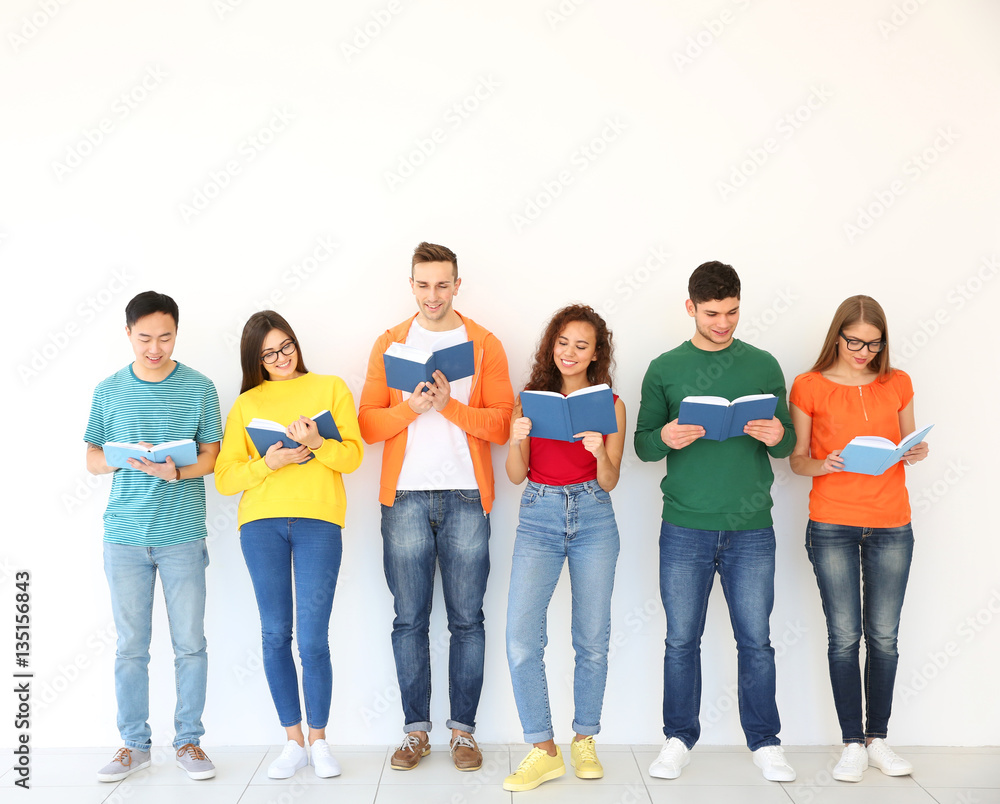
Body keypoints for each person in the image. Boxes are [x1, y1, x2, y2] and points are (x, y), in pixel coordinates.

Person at [634, 261, 797, 782]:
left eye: (731, 312)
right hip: (685, 525)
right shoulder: (664, 368)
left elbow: (790, 443)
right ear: (690, 308)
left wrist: (777, 436)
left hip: (751, 527)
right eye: (712, 314)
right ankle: (678, 738)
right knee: (682, 639)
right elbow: (640, 444)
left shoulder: (765, 365)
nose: (723, 323)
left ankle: (766, 742)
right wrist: (666, 438)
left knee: (756, 639)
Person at [359, 242, 514, 772]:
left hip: (468, 497)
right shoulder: (391, 342)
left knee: (467, 620)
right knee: (409, 620)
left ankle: (464, 733)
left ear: (457, 284)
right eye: (423, 285)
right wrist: (411, 407)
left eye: (442, 284)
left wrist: (450, 407)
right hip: (403, 498)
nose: (433, 295)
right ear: (411, 285)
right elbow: (367, 425)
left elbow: (499, 427)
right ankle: (415, 731)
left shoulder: (484, 344)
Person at [215, 311, 363, 779]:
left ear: (296, 344)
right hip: (261, 524)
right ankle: (293, 740)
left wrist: (317, 441)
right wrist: (269, 462)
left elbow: (354, 457)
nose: (280, 359)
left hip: (320, 519)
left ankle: (320, 742)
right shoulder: (245, 405)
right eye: (268, 354)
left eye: (286, 347)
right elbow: (224, 479)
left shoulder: (331, 388)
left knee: (313, 637)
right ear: (254, 360)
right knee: (276, 633)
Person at [788, 295, 928, 782]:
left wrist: (915, 452)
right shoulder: (808, 385)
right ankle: (851, 741)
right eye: (854, 341)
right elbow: (797, 459)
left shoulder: (898, 382)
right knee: (844, 637)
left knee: (884, 638)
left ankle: (878, 739)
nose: (863, 351)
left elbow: (907, 443)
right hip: (832, 523)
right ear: (837, 336)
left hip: (892, 522)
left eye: (873, 343)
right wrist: (821, 464)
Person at [85, 291, 222, 782]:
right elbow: (93, 459)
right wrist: (125, 457)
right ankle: (132, 745)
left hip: (182, 533)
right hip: (123, 536)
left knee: (190, 645)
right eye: (144, 338)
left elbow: (211, 457)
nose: (155, 348)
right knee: (130, 648)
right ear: (128, 334)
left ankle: (189, 742)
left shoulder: (200, 387)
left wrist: (176, 473)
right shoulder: (108, 390)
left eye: (165, 337)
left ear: (176, 334)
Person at [502, 304, 626, 792]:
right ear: (550, 346)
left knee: (591, 639)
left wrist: (599, 452)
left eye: (582, 345)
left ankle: (584, 739)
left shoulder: (611, 404)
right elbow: (516, 476)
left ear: (597, 353)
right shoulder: (528, 399)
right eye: (563, 342)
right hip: (538, 513)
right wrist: (516, 441)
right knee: (520, 638)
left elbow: (612, 480)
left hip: (594, 514)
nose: (570, 352)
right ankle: (543, 749)